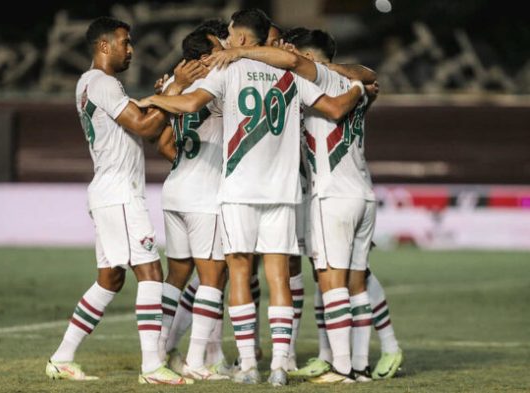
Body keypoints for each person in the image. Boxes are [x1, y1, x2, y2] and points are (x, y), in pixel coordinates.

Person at [134, 8, 372, 386]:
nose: (227, 41)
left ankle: (248, 365)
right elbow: (334, 107)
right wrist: (359, 89)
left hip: (239, 190)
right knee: (279, 276)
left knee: (240, 273)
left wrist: (155, 98)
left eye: (230, 34)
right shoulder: (291, 72)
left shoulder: (228, 68)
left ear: (244, 38)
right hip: (283, 190)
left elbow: (192, 104)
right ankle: (280, 364)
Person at [203, 27, 382, 383]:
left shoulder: (308, 76)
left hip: (329, 195)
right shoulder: (351, 86)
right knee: (355, 283)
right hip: (363, 193)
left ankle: (342, 369)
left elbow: (304, 78)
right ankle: (358, 365)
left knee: (330, 282)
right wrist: (360, 86)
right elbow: (368, 76)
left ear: (310, 59)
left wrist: (239, 53)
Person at [45, 16, 202, 385]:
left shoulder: (95, 86)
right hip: (120, 194)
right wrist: (177, 87)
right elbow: (148, 127)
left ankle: (61, 358)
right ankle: (152, 367)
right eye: (124, 42)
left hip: (109, 192)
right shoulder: (101, 83)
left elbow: (146, 128)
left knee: (110, 279)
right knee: (150, 271)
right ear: (104, 46)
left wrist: (167, 96)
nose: (130, 49)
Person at [154, 27, 231, 381]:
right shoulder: (219, 79)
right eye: (220, 45)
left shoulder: (173, 81)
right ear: (205, 56)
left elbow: (164, 143)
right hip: (204, 194)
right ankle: (197, 362)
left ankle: (159, 351)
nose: (226, 49)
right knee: (213, 277)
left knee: (177, 275)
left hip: (175, 189)